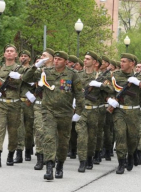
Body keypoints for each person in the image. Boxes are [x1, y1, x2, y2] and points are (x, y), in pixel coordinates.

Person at [9, 51, 85, 180]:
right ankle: (49, 167)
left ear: (66, 61)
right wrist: (35, 66)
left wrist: (78, 112)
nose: (56, 61)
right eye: (55, 59)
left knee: (63, 142)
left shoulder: (72, 75)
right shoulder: (46, 72)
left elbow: (79, 94)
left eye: (59, 59)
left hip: (65, 113)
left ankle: (60, 165)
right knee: (49, 137)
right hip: (48, 111)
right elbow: (26, 78)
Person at [108, 53, 141, 174]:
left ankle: (131, 155)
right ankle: (121, 162)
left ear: (131, 63)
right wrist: (110, 100)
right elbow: (107, 90)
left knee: (133, 138)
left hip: (134, 111)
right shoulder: (115, 75)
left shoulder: (140, 77)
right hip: (119, 110)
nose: (121, 63)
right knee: (120, 134)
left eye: (124, 61)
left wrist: (138, 83)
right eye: (121, 61)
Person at [13, 50, 35, 163]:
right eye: (21, 56)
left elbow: (35, 83)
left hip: (28, 102)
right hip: (18, 101)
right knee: (19, 128)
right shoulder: (16, 69)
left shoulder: (32, 70)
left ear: (29, 58)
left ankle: (28, 150)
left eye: (25, 56)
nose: (23, 58)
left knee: (29, 129)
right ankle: (19, 153)